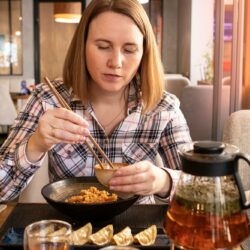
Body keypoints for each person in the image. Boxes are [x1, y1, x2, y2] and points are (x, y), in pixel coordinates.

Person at [0, 0, 191, 203]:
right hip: (69, 229)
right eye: (103, 46)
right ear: (82, 47)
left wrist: (164, 181)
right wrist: (35, 145)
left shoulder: (163, 108)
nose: (115, 62)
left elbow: (201, 188)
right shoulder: (48, 99)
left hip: (137, 230)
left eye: (129, 50)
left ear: (144, 53)